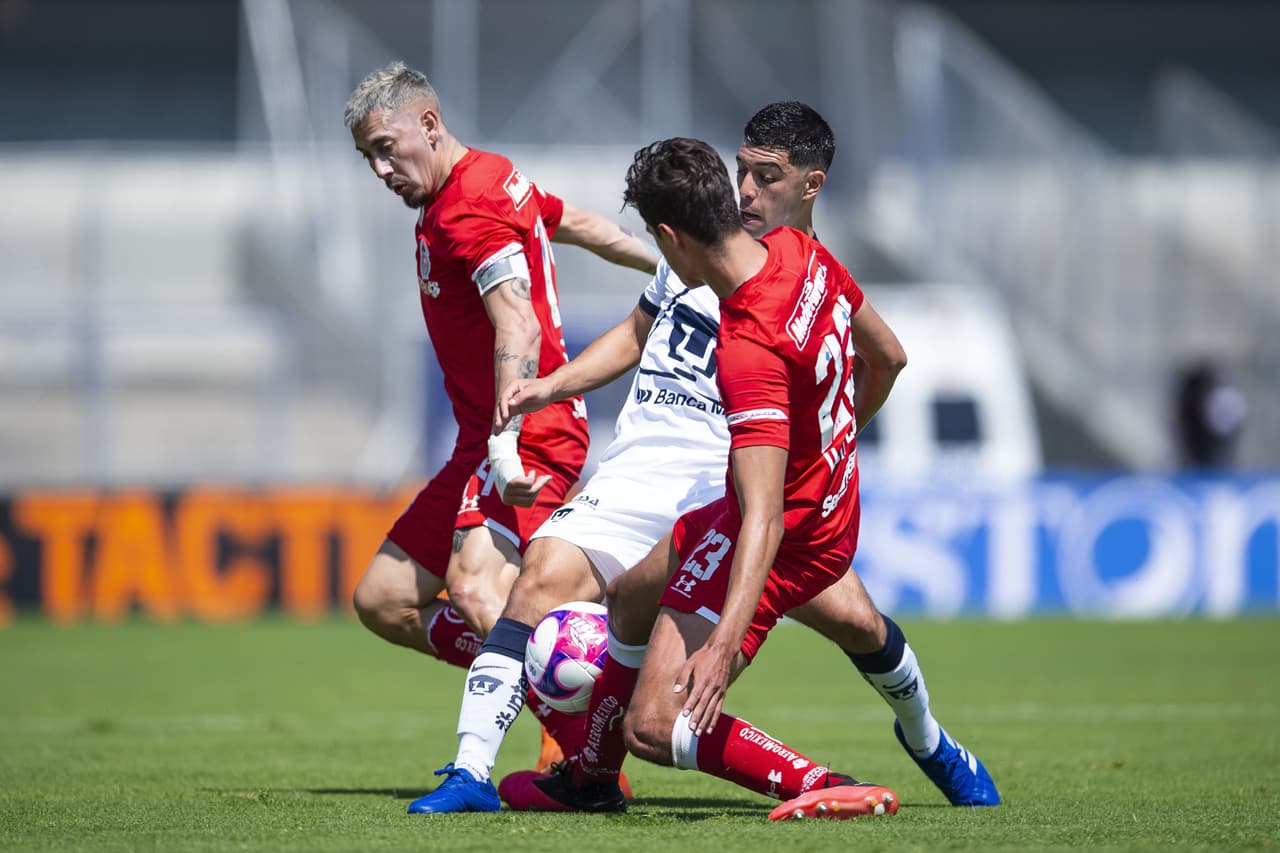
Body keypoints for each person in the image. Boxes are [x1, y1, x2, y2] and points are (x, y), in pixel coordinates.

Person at [410, 103, 999, 815]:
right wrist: (551, 387)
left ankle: (903, 751)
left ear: (810, 185)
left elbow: (787, 482)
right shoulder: (761, 254)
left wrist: (723, 640)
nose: (747, 190)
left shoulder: (769, 312)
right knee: (581, 589)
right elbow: (639, 331)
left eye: (765, 176)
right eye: (741, 171)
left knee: (840, 633)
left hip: (751, 492)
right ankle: (541, 773)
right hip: (691, 477)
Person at [341, 59, 657, 792]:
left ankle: (585, 742)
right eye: (368, 157)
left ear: (429, 121)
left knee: (479, 586)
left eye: (388, 146)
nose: (381, 168)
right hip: (477, 436)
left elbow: (513, 316)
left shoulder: (469, 205)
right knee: (383, 598)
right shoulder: (488, 178)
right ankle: (561, 685)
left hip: (527, 426)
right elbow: (572, 221)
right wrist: (670, 268)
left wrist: (508, 435)